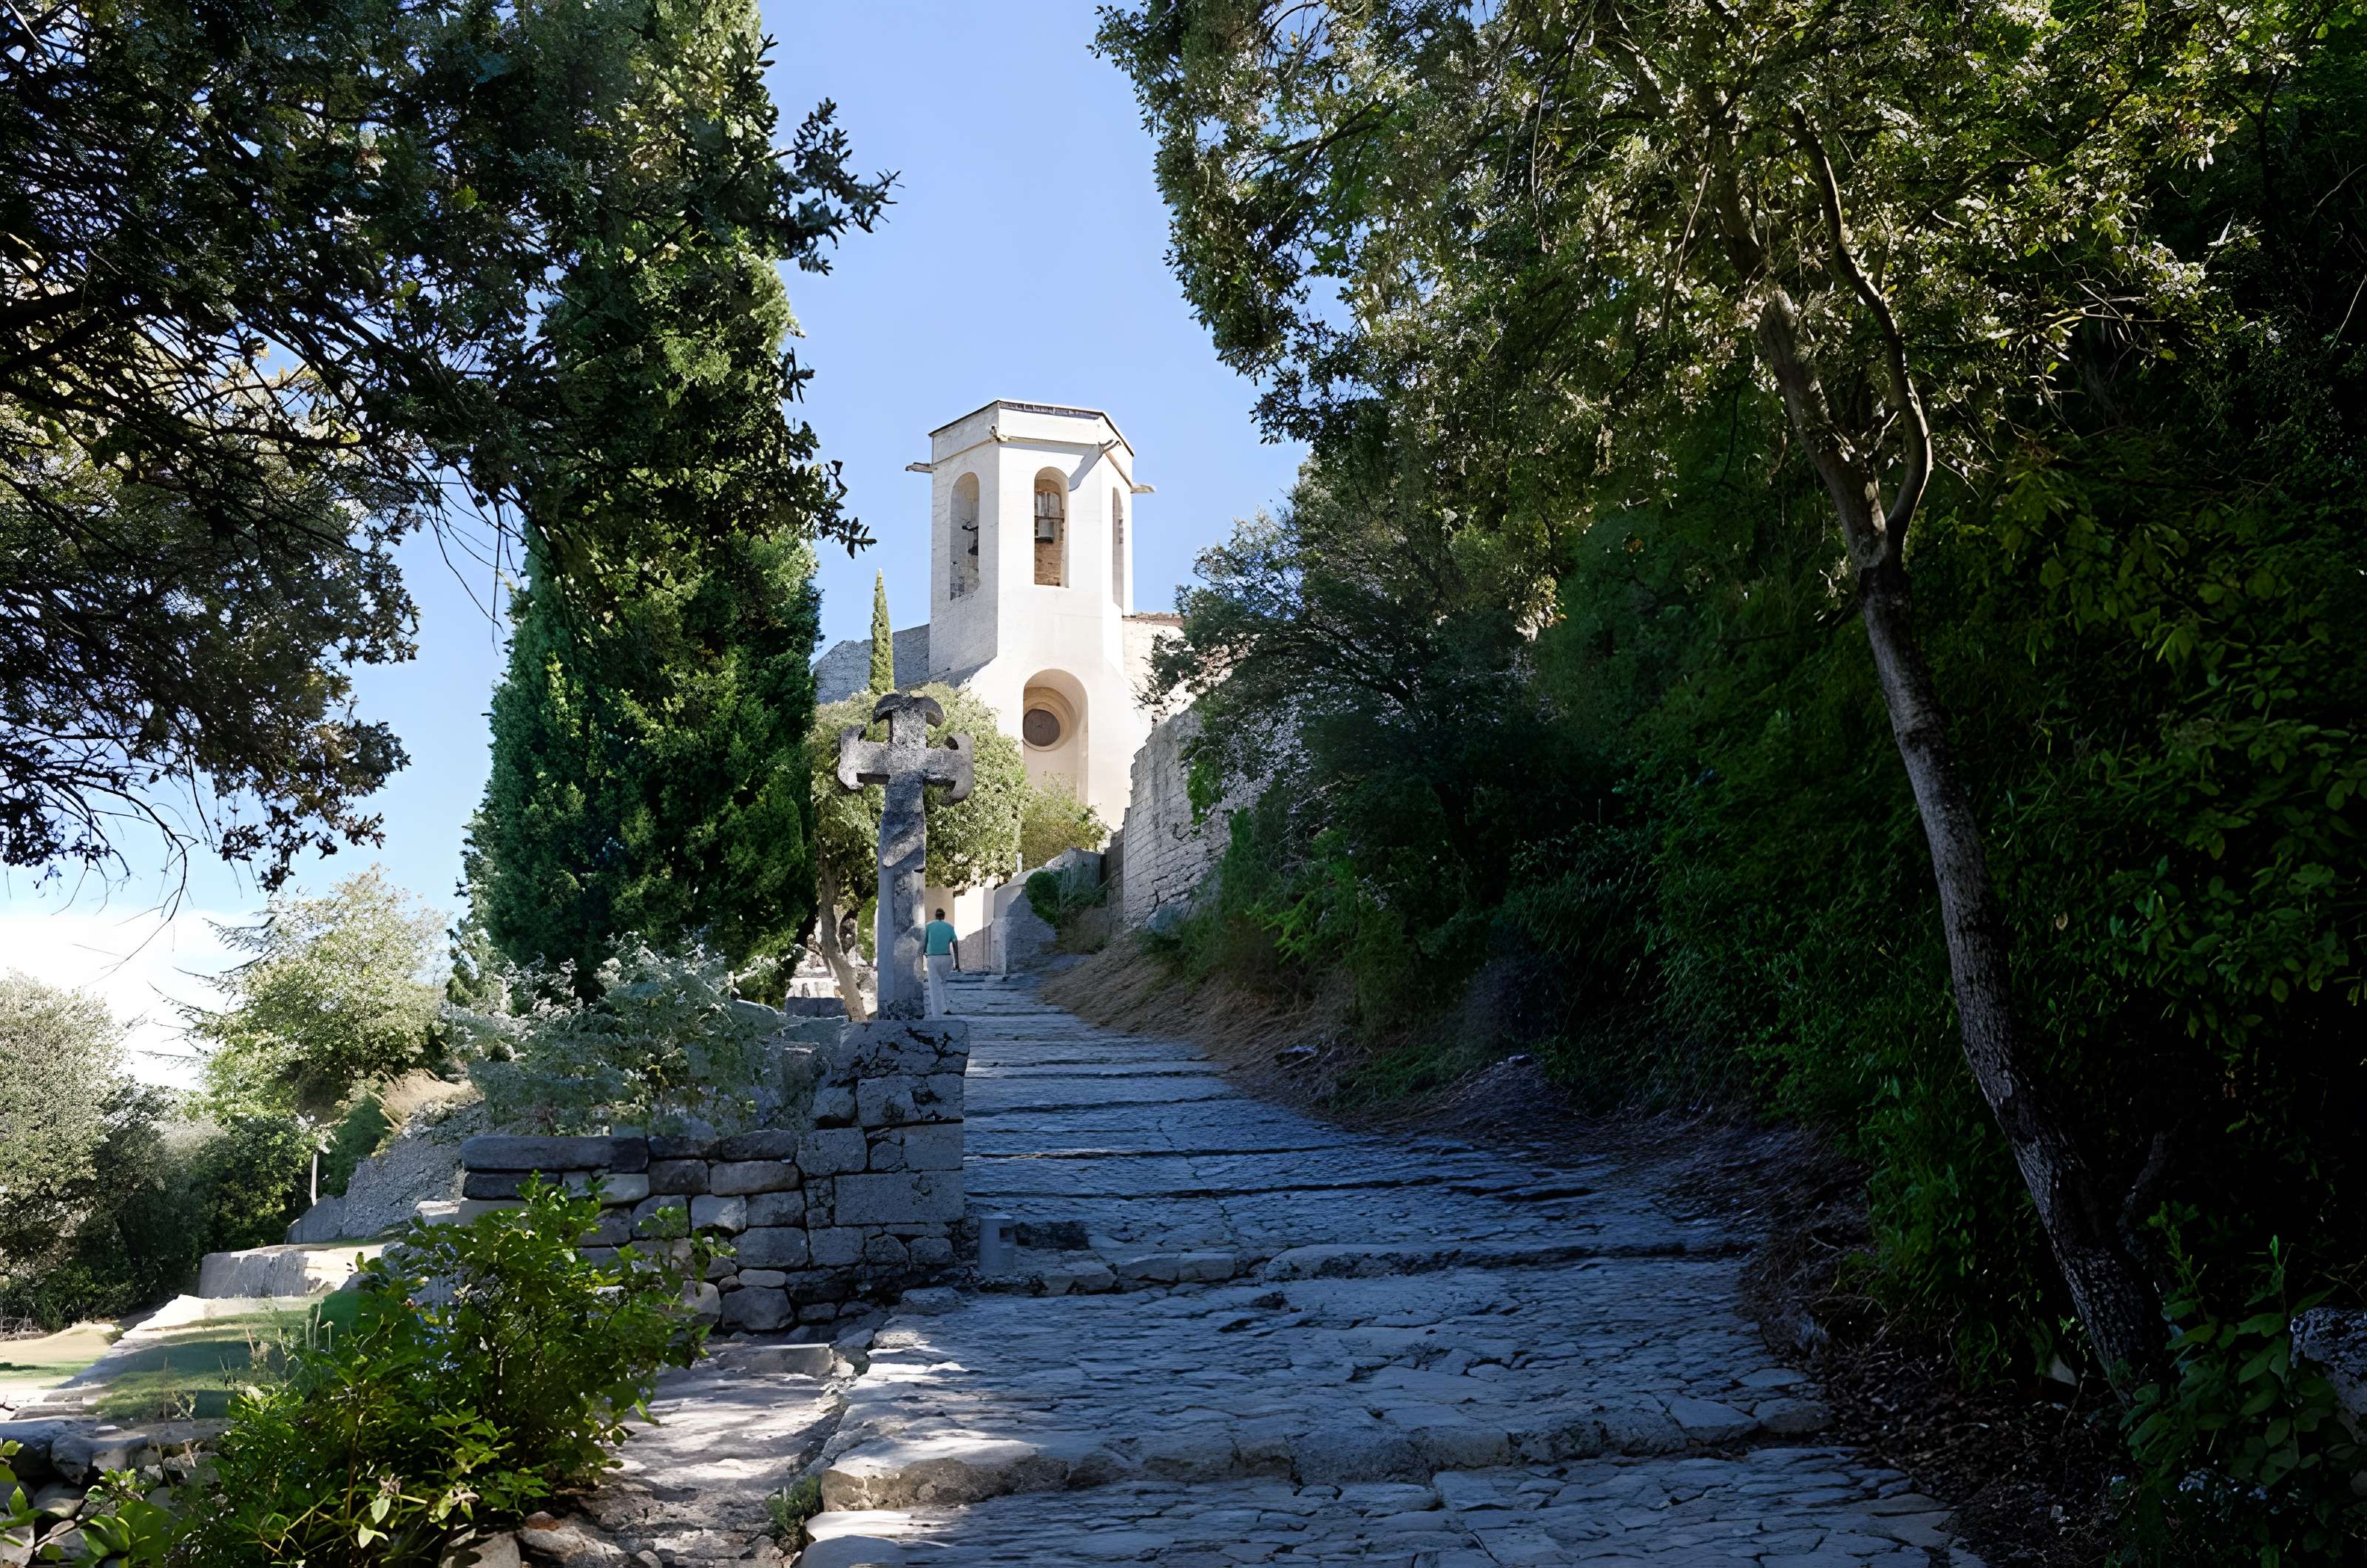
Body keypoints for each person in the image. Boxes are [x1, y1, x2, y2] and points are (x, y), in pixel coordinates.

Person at [923, 907, 959, 1016]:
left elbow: (925, 941)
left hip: (933, 958)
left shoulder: (928, 926)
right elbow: (955, 944)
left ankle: (936, 1012)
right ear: (944, 916)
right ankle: (946, 1008)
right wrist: (957, 964)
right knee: (945, 984)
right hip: (946, 958)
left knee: (934, 986)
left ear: (936, 916)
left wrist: (924, 952)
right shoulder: (950, 927)